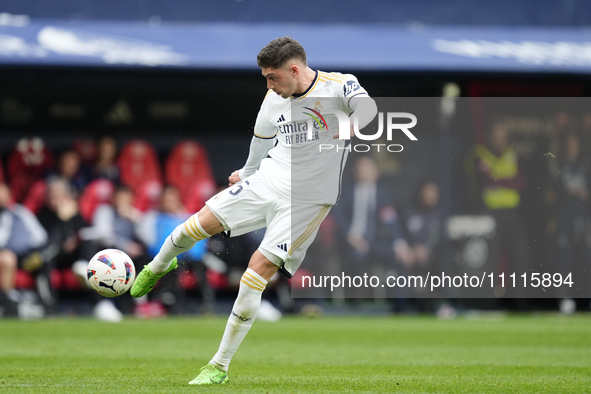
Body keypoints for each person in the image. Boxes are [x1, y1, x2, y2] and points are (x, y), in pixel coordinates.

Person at [130, 36, 377, 385]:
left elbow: (368, 109)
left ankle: (218, 366)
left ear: (294, 69)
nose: (269, 85)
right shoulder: (274, 97)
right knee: (196, 225)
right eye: (265, 78)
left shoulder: (339, 85)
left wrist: (348, 127)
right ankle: (157, 266)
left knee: (255, 274)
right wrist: (246, 173)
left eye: (272, 77)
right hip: (269, 179)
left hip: (307, 201)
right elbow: (262, 137)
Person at [0, 183, 48, 317]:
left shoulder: (20, 211)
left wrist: (37, 252)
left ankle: (47, 303)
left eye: (3, 195)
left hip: (26, 255)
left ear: (9, 196)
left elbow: (40, 235)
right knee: (9, 258)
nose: (1, 199)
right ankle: (7, 302)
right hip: (6, 253)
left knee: (45, 258)